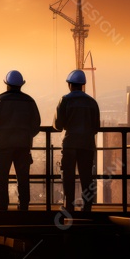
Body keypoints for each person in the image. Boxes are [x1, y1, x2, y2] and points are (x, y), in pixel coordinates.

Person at [0, 70, 41, 211]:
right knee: (23, 179)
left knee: (1, 179)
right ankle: (23, 209)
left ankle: (2, 209)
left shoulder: (0, 100)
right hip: (23, 146)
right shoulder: (29, 101)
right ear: (21, 85)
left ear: (7, 84)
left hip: (4, 146)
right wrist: (27, 136)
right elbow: (36, 124)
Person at [53, 69, 100, 211]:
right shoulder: (92, 102)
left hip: (70, 143)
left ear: (70, 84)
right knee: (86, 176)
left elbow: (57, 125)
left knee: (68, 176)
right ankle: (87, 206)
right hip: (87, 144)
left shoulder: (65, 100)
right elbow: (96, 127)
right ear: (83, 85)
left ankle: (69, 205)